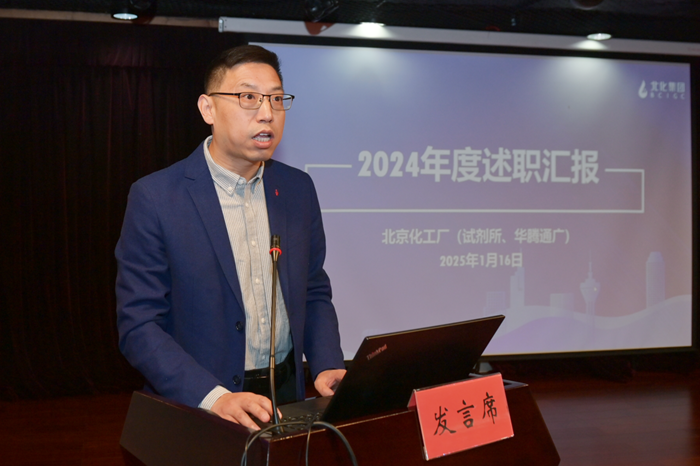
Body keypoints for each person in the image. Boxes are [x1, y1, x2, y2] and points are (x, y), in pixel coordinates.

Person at [115, 45, 346, 430]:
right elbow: (139, 325)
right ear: (208, 109)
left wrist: (326, 364)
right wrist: (214, 397)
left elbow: (313, 289)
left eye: (276, 99)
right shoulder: (156, 197)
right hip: (200, 402)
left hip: (285, 394)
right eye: (248, 98)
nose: (267, 113)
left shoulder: (297, 189)